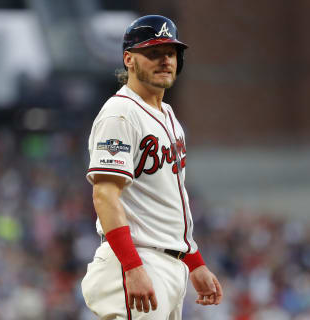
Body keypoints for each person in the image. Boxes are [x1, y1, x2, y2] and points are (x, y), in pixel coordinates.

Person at [81, 15, 223, 319]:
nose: (165, 61)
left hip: (167, 263)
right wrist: (132, 266)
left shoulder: (168, 115)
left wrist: (194, 262)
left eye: (170, 53)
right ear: (129, 60)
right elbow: (105, 195)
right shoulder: (120, 113)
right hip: (138, 257)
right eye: (153, 53)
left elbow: (166, 200)